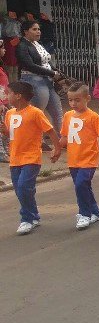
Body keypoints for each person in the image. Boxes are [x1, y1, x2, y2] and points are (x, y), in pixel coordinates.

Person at [3, 81, 61, 235]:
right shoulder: (10, 113)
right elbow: (10, 134)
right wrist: (3, 130)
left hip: (31, 157)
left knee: (23, 187)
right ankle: (33, 215)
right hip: (15, 159)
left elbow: (50, 131)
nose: (6, 95)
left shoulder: (35, 112)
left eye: (8, 93)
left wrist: (57, 148)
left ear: (18, 96)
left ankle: (26, 219)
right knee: (20, 189)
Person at [57, 81, 99, 230]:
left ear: (87, 98)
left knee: (81, 184)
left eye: (77, 100)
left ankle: (84, 214)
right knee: (83, 186)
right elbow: (64, 137)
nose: (73, 103)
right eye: (70, 100)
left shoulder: (93, 117)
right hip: (73, 159)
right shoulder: (67, 116)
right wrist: (56, 150)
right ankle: (95, 211)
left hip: (89, 159)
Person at [16, 20, 63, 136]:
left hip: (47, 81)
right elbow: (29, 65)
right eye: (34, 29)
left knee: (57, 111)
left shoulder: (38, 44)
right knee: (37, 112)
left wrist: (55, 70)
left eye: (39, 29)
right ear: (26, 32)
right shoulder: (22, 46)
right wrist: (52, 73)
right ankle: (37, 140)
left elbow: (46, 61)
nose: (38, 32)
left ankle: (61, 138)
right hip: (33, 80)